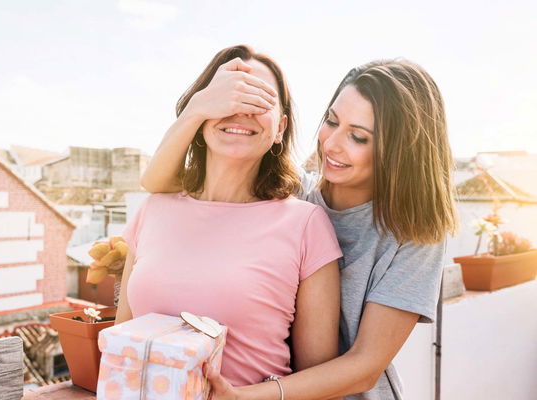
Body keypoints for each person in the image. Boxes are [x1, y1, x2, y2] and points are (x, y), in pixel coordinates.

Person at [141, 53, 458, 399]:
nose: (332, 144)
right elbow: (158, 184)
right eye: (332, 121)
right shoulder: (295, 195)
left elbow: (365, 366)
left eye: (359, 137)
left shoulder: (416, 235)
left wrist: (244, 396)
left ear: (399, 151)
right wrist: (199, 107)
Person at [115, 45, 343, 387]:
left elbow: (320, 383)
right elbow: (120, 346)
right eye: (226, 96)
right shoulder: (153, 209)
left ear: (280, 128)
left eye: (259, 99)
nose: (240, 109)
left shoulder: (305, 224)